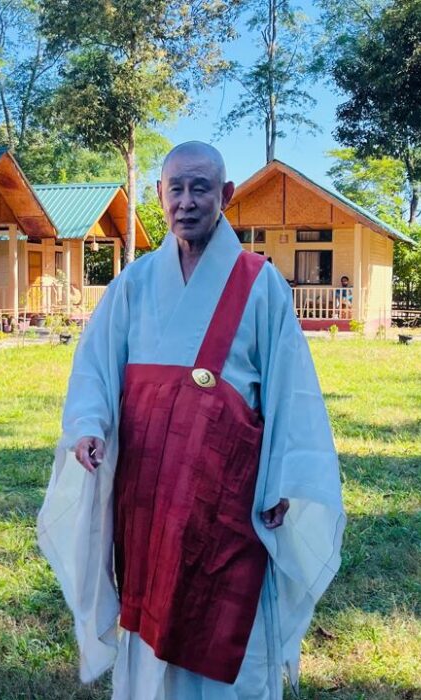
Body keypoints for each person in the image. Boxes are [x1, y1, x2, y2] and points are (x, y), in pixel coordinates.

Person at [38, 142, 345, 700]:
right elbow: (95, 371)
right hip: (147, 497)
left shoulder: (260, 283)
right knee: (152, 615)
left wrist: (283, 480)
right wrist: (88, 427)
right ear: (159, 195)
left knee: (226, 612)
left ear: (225, 196)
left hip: (226, 496)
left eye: (200, 187)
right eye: (175, 188)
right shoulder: (132, 285)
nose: (186, 200)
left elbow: (291, 390)